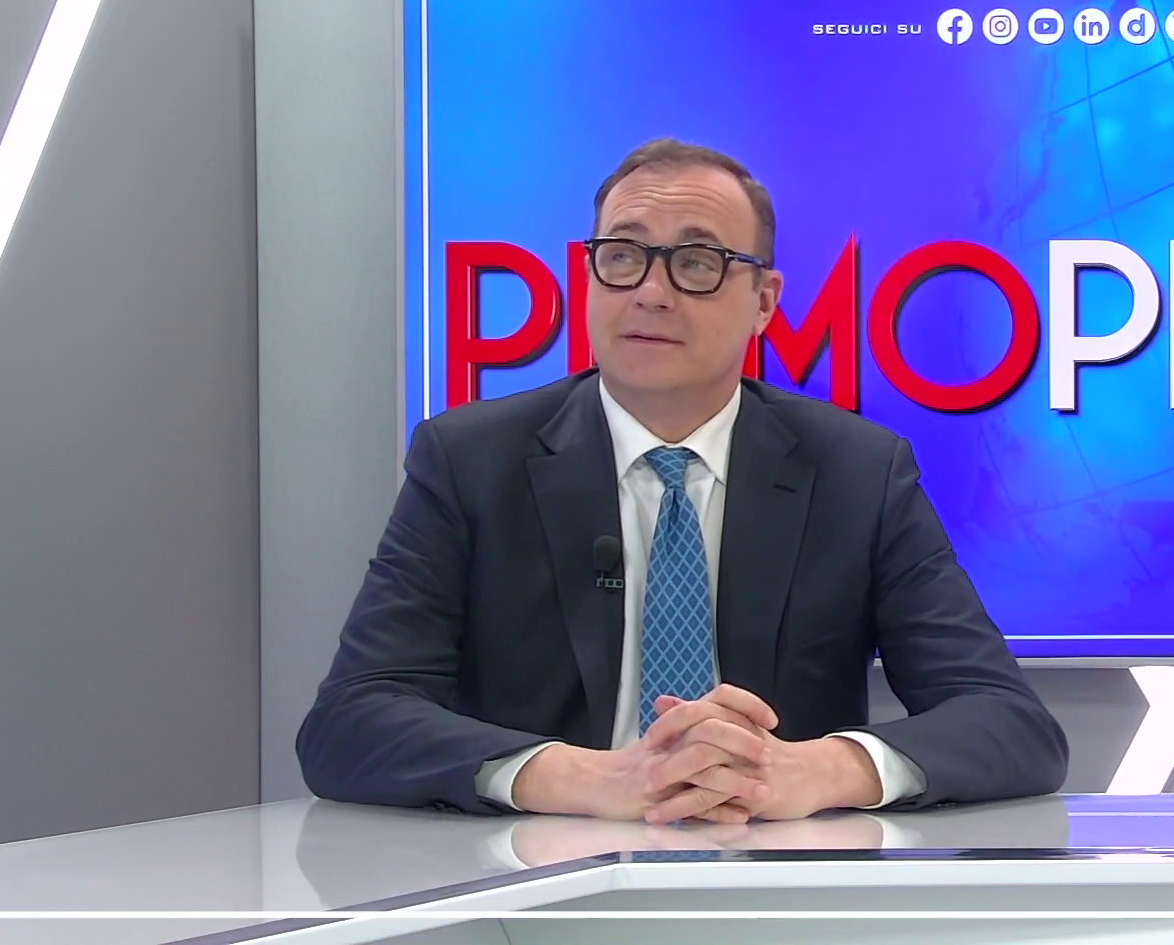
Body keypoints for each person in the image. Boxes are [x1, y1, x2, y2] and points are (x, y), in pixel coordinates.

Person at [296, 138, 1068, 824]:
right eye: (622, 256)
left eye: (697, 262)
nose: (651, 291)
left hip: (778, 886)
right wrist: (583, 778)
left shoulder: (858, 474)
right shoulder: (469, 462)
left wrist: (817, 771)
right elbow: (350, 723)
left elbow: (1011, 724)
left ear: (764, 302)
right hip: (534, 886)